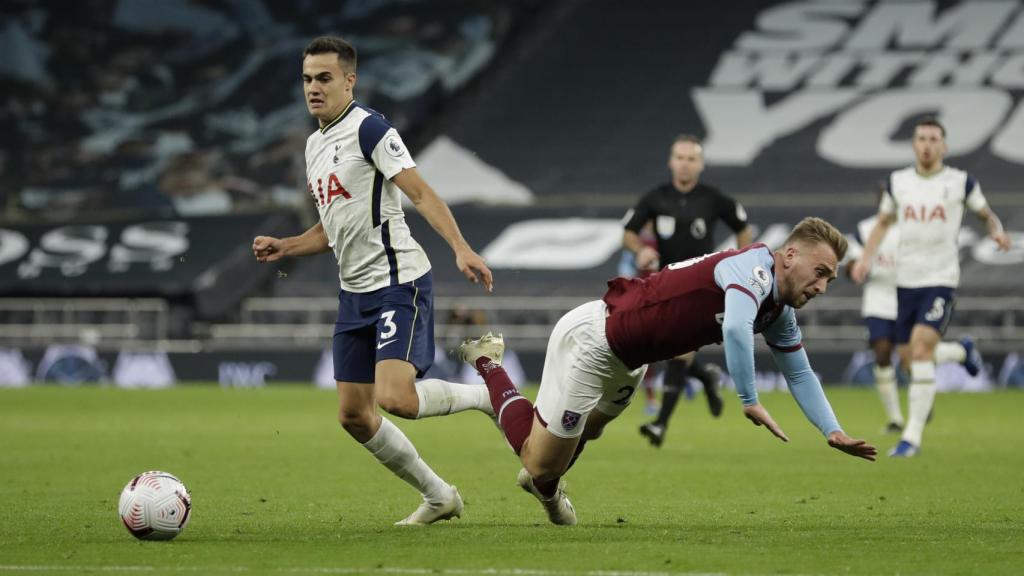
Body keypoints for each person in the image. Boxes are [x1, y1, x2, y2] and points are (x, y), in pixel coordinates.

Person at [460, 218, 877, 525]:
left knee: (589, 430)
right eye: (820, 273)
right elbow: (733, 326)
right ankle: (489, 366)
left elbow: (800, 374)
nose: (822, 287)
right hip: (596, 341)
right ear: (789, 255)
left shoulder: (779, 310)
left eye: (830, 280)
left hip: (632, 360)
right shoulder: (753, 267)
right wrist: (748, 400)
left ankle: (547, 472)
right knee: (539, 464)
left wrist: (831, 430)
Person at [252, 36, 495, 525]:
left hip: (398, 281)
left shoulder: (370, 129)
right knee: (354, 416)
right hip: (353, 294)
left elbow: (421, 193)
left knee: (395, 399)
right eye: (306, 79)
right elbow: (333, 225)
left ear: (349, 80)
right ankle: (438, 495)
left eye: (324, 78)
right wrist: (287, 246)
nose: (313, 88)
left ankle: (485, 394)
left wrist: (460, 247)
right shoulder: (314, 146)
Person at [852, 117, 1011, 458]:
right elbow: (882, 223)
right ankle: (961, 352)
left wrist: (996, 231)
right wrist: (866, 259)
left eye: (933, 139)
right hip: (905, 281)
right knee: (910, 358)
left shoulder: (960, 182)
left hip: (940, 279)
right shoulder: (898, 182)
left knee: (921, 352)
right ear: (913, 145)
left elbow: (986, 215)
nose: (927, 144)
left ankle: (911, 437)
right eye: (921, 138)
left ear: (944, 146)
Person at [623, 134, 753, 447]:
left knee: (679, 349)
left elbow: (743, 228)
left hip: (701, 284)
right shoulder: (655, 198)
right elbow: (628, 232)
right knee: (664, 346)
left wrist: (742, 263)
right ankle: (706, 376)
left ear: (701, 164)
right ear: (671, 161)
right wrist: (640, 249)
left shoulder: (713, 198)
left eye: (691, 159)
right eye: (680, 158)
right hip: (666, 282)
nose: (685, 164)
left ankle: (659, 424)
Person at [846, 204, 982, 435]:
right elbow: (850, 264)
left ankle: (960, 352)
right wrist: (856, 269)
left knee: (912, 356)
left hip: (908, 297)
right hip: (878, 298)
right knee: (881, 351)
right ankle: (895, 418)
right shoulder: (866, 229)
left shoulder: (919, 230)